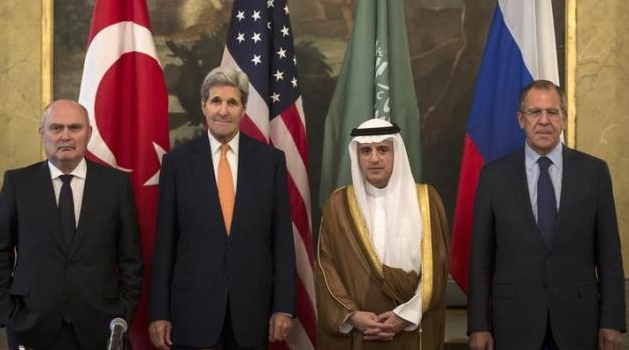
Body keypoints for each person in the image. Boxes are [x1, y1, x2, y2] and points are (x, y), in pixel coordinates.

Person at [468, 80, 626, 350]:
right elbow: (481, 259)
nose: (544, 121)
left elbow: (609, 255)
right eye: (534, 112)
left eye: (552, 112)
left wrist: (612, 320)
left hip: (578, 323)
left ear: (564, 119)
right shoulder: (493, 176)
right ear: (521, 119)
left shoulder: (594, 172)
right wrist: (478, 326)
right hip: (513, 324)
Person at [149, 67, 296, 350]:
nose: (223, 111)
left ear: (243, 109)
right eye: (216, 101)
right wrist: (159, 312)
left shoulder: (270, 162)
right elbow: (165, 242)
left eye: (232, 103)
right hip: (193, 311)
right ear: (204, 106)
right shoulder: (177, 164)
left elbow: (282, 241)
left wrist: (284, 306)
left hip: (252, 311)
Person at [0, 99, 143, 350]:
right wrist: (8, 313)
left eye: (75, 128)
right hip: (31, 326)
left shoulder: (116, 186)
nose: (66, 136)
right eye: (56, 128)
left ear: (89, 133)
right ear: (42, 133)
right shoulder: (18, 184)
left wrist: (122, 314)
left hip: (100, 326)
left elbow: (131, 258)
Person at [316, 118, 449, 349]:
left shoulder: (426, 200)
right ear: (356, 156)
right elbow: (326, 267)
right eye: (366, 150)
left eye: (383, 150)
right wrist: (352, 316)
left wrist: (404, 316)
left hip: (412, 330)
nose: (374, 158)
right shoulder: (339, 204)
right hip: (359, 334)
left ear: (396, 153)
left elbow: (437, 268)